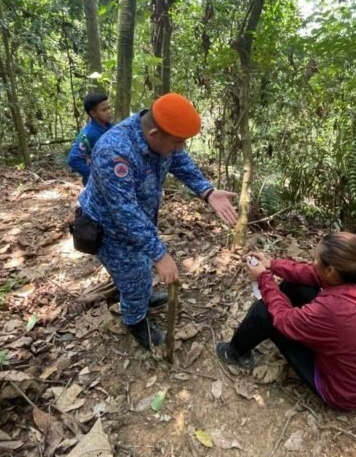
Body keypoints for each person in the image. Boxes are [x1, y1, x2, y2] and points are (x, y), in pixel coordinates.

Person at [78, 93, 238, 349]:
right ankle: (135, 319)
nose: (179, 147)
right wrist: (160, 254)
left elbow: (179, 160)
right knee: (135, 276)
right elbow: (124, 212)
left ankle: (139, 297)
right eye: (177, 142)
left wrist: (207, 192)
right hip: (108, 228)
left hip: (138, 220)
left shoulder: (162, 138)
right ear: (154, 134)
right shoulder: (114, 151)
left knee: (140, 269)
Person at [216, 232, 356, 411]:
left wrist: (264, 279)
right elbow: (313, 274)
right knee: (297, 285)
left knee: (264, 311)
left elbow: (283, 320)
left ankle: (233, 353)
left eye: (317, 260)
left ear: (331, 270)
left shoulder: (335, 309)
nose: (314, 263)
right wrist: (272, 265)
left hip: (344, 393)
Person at [68, 92, 113, 184]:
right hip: (97, 185)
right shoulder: (87, 134)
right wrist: (93, 175)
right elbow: (73, 159)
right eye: (104, 110)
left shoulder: (112, 128)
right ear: (93, 113)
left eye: (108, 108)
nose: (109, 112)